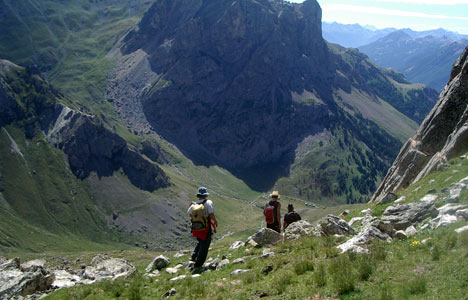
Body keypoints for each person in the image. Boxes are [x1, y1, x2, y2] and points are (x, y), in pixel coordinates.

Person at [187, 186, 218, 272]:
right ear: (206, 195)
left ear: (198, 195)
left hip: (196, 228)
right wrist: (215, 221)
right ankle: (198, 265)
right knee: (205, 245)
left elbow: (189, 213)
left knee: (200, 241)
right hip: (205, 227)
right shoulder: (208, 202)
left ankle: (194, 256)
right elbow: (211, 214)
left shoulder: (194, 204)